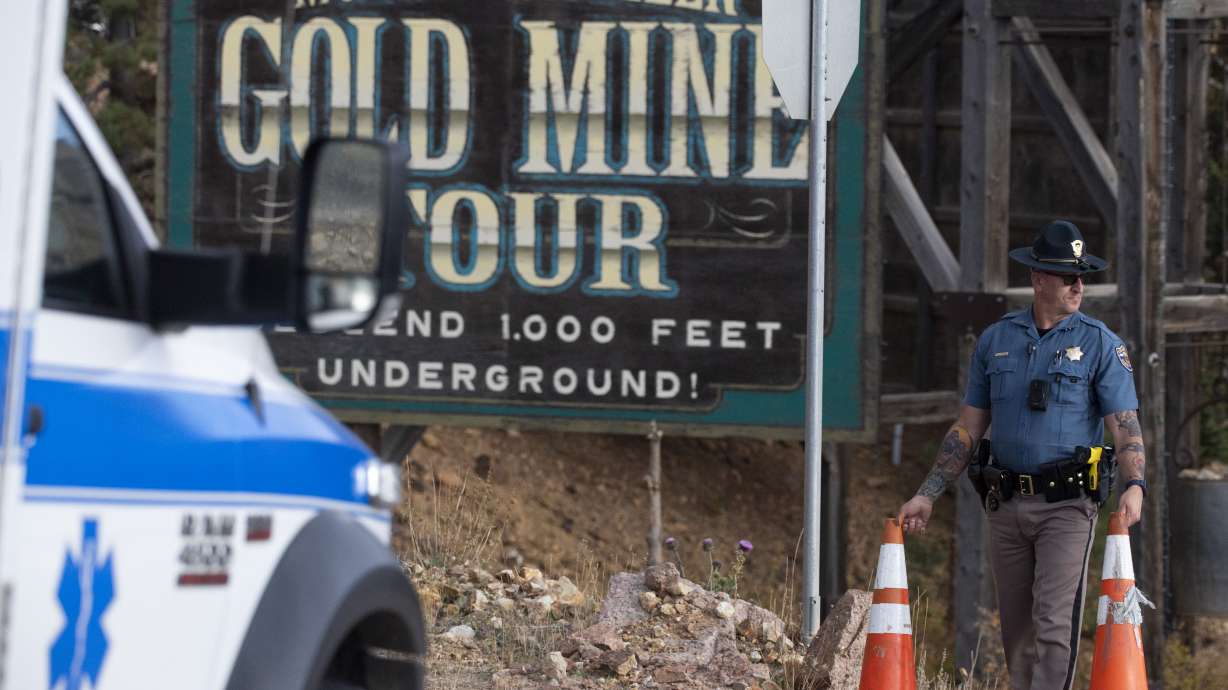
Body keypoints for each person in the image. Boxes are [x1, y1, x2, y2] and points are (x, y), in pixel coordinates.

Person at [896, 220, 1148, 690]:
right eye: (1066, 276)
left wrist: (1134, 484)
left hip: (1068, 506)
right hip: (1006, 502)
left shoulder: (1100, 344)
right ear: (1037, 278)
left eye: (1081, 276)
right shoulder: (997, 340)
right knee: (1016, 627)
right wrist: (928, 493)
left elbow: (1125, 428)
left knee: (1054, 622)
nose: (1078, 285)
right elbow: (968, 426)